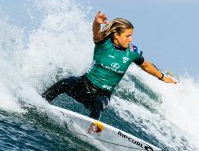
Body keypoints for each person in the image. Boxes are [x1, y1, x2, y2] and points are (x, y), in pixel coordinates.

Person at [42, 11, 177, 120]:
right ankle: (39, 103)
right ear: (116, 35)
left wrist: (162, 77)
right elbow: (96, 33)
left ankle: (92, 132)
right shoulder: (103, 44)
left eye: (131, 36)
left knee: (97, 105)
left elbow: (146, 65)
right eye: (127, 36)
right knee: (65, 83)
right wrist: (96, 23)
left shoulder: (132, 53)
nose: (130, 39)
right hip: (84, 84)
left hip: (102, 94)